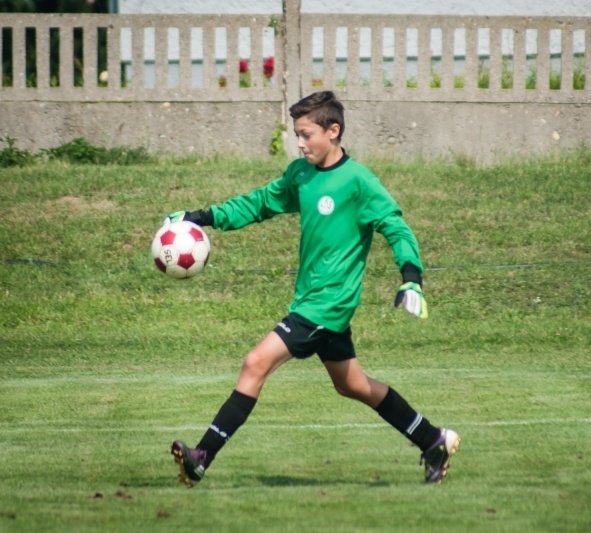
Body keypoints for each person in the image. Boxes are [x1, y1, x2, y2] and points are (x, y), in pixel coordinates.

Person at [166, 90, 460, 487]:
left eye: (306, 134)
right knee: (352, 384)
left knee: (255, 363)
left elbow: (396, 227)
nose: (300, 143)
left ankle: (201, 457)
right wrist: (201, 217)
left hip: (327, 304)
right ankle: (432, 440)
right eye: (296, 135)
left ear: (333, 130)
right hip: (311, 299)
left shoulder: (358, 181)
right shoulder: (300, 175)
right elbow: (258, 203)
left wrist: (412, 278)